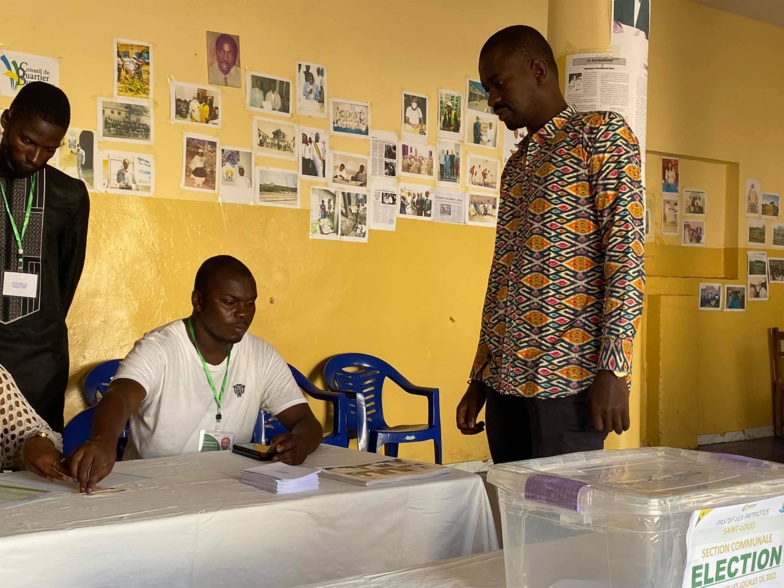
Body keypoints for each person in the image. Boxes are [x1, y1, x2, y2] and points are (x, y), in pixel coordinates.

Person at [456, 26, 644, 464]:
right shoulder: (517, 166)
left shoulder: (601, 136)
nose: (492, 99)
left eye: (498, 83)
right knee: (512, 509)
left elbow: (626, 260)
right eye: (487, 89)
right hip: (506, 381)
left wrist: (614, 369)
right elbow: (502, 277)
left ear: (538, 70)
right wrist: (480, 378)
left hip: (570, 381)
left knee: (565, 520)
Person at [67, 256, 323, 493]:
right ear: (198, 301)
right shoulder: (160, 347)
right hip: (155, 486)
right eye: (230, 303)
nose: (243, 314)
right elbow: (121, 394)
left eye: (250, 303)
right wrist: (103, 440)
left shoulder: (261, 355)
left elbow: (306, 421)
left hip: (229, 487)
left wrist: (300, 443)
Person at [0, 82, 90, 432]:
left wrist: (41, 326)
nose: (34, 158)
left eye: (49, 149)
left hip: (39, 360)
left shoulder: (70, 196)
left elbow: (66, 280)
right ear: (7, 121)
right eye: (27, 141)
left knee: (38, 463)